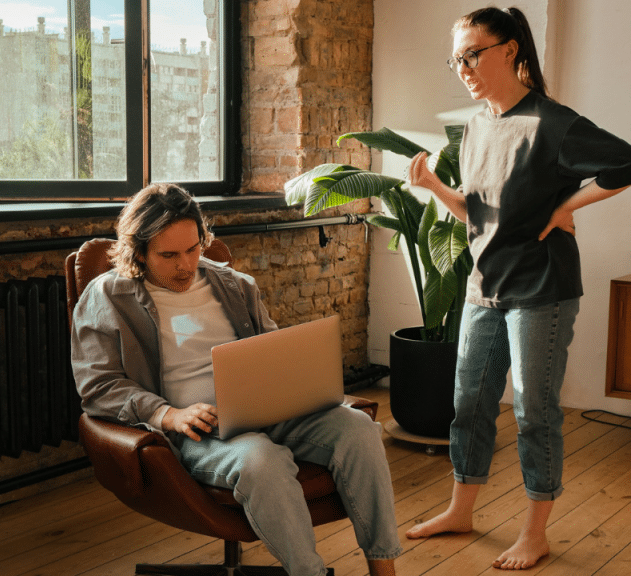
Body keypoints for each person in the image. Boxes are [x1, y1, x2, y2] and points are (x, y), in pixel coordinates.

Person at [402, 6, 631, 571]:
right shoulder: (474, 125)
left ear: (511, 50)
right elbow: (479, 214)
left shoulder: (551, 122)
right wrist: (434, 186)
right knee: (469, 405)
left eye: (473, 54)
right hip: (484, 288)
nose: (463, 67)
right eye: (456, 59)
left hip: (542, 289)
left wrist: (566, 205)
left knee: (535, 413)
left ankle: (534, 531)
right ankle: (461, 510)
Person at [70, 183, 402, 576]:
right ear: (138, 251)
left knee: (360, 430)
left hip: (265, 407)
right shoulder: (108, 296)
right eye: (169, 255)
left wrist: (297, 379)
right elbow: (98, 386)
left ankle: (384, 570)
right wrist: (168, 414)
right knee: (262, 461)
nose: (185, 265)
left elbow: (271, 351)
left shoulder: (233, 284)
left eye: (194, 249)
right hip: (200, 431)